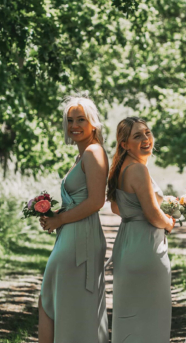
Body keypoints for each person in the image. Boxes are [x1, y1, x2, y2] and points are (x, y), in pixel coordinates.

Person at [38, 95, 109, 343]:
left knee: (62, 304)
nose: (74, 125)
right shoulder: (82, 156)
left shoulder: (94, 152)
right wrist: (53, 216)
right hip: (71, 234)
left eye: (81, 119)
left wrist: (60, 220)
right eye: (70, 120)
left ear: (93, 123)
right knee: (53, 300)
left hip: (81, 239)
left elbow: (96, 201)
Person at [107, 117, 175, 343]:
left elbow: (118, 208)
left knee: (129, 319)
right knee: (152, 320)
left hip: (128, 245)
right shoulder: (137, 169)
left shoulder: (121, 167)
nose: (146, 139)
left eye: (147, 133)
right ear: (124, 144)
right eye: (138, 136)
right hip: (146, 249)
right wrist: (169, 222)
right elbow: (153, 214)